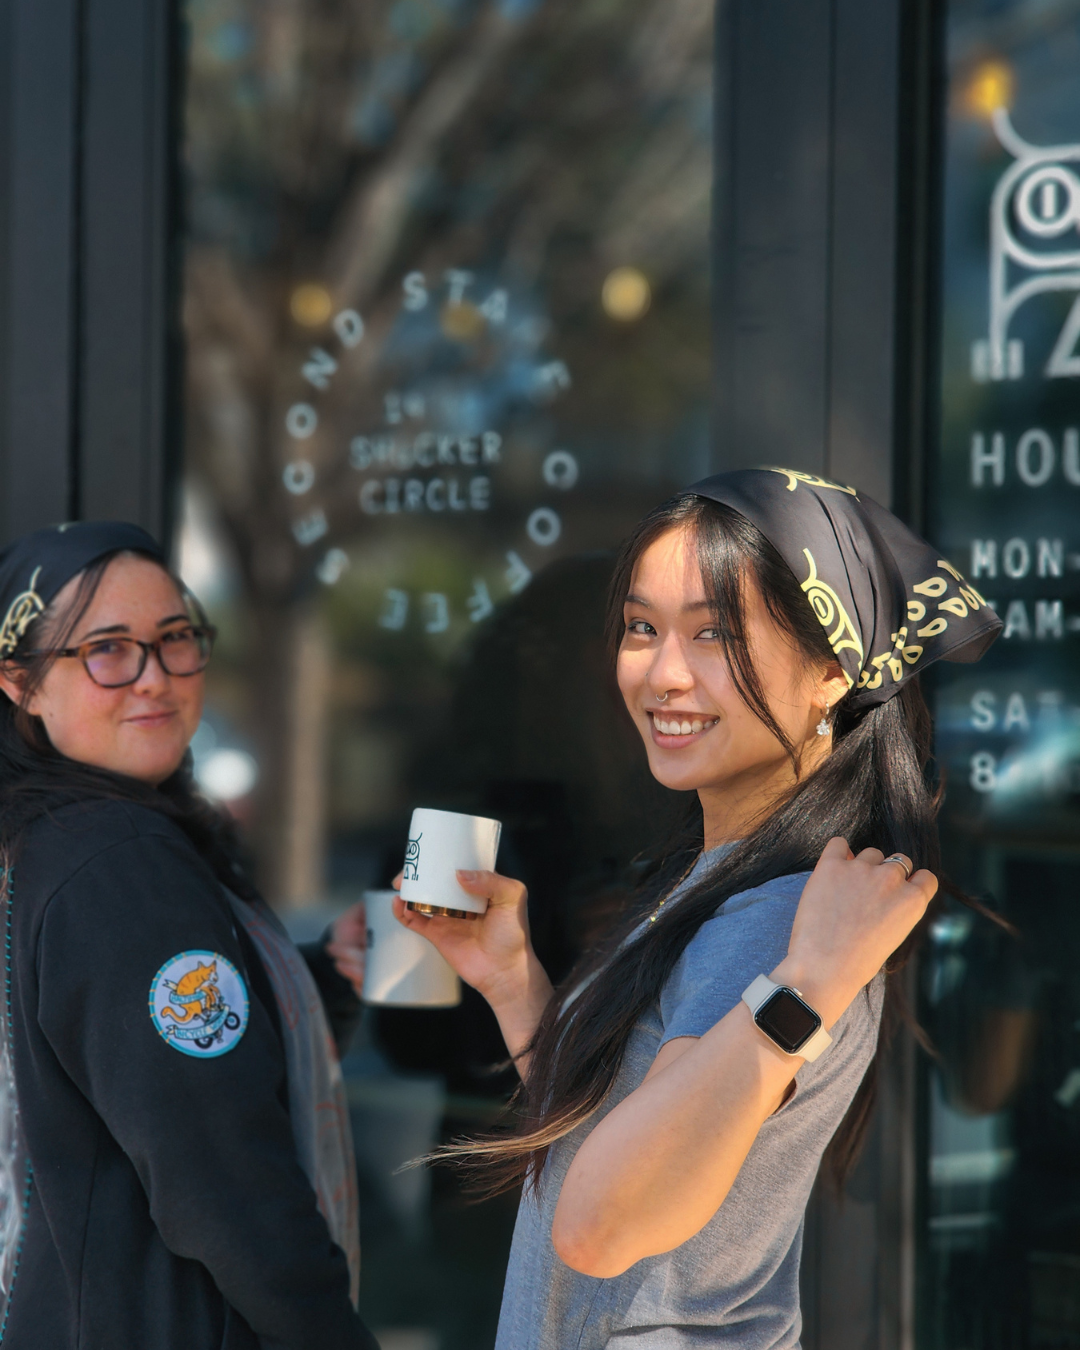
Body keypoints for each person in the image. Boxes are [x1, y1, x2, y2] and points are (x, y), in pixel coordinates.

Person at [393, 468, 1003, 1349]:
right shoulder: (725, 878)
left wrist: (805, 987)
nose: (662, 674)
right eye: (642, 627)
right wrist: (514, 982)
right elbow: (605, 1143)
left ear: (831, 672)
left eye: (716, 634)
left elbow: (600, 1227)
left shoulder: (774, 923)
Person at [0, 522, 378, 1350]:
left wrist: (318, 977)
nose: (155, 676)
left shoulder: (45, 842)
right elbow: (225, 1179)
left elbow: (137, 1070)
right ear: (22, 684)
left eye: (174, 638)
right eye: (106, 649)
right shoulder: (119, 861)